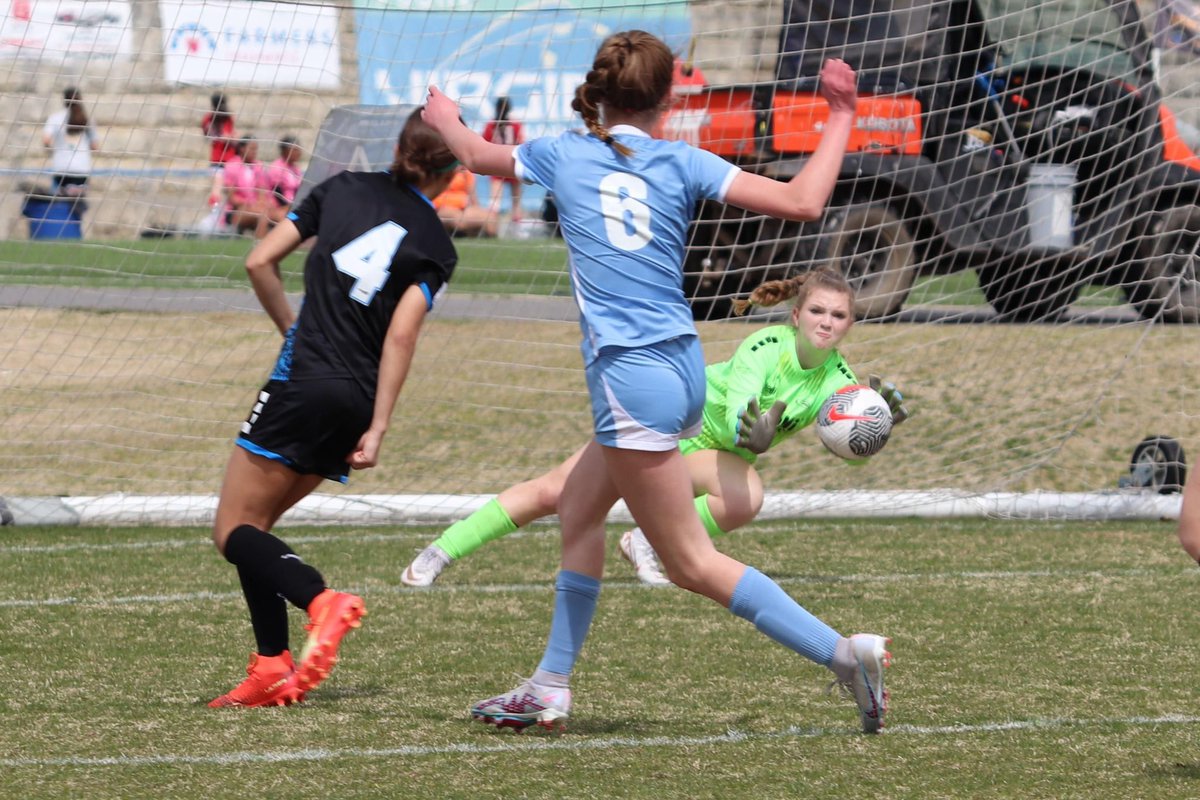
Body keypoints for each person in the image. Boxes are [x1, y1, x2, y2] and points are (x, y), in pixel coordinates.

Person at [423, 30, 892, 735]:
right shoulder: (682, 160)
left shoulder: (564, 152)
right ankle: (549, 683)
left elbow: (470, 154)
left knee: (690, 562)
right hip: (682, 369)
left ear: (600, 91)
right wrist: (844, 114)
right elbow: (803, 201)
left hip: (630, 379)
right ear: (669, 98)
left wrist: (443, 115)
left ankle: (842, 654)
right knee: (578, 512)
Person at [403, 268, 908, 589]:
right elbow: (738, 414)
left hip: (712, 457)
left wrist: (874, 428)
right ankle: (440, 551)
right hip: (669, 426)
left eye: (839, 315)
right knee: (557, 492)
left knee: (745, 496)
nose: (827, 321)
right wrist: (748, 432)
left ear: (849, 325)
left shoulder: (839, 378)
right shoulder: (764, 347)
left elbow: (843, 436)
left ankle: (647, 542)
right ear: (795, 314)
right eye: (817, 310)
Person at [207, 108, 460, 708]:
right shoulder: (437, 247)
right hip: (355, 399)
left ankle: (321, 601)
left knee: (232, 530)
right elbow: (401, 337)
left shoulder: (339, 188)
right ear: (451, 173)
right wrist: (378, 426)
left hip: (303, 380)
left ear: (398, 148)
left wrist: (292, 330)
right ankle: (271, 665)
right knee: (256, 530)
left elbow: (258, 261)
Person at [42, 87, 99, 195]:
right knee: (77, 207)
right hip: (81, 169)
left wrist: (54, 150)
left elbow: (46, 140)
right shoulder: (87, 119)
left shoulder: (55, 118)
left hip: (61, 168)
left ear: (64, 100)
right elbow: (95, 145)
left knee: (59, 204)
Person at [481, 96, 524, 223]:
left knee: (494, 200)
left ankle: (492, 222)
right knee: (516, 201)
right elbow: (521, 142)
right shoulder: (515, 125)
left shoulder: (491, 125)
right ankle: (516, 218)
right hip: (513, 161)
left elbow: (485, 142)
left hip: (496, 163)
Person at [254, 135, 305, 239]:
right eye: (294, 150)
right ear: (285, 151)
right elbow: (277, 192)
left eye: (298, 149)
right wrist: (289, 206)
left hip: (291, 206)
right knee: (291, 219)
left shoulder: (296, 169)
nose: (298, 152)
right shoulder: (277, 167)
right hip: (277, 207)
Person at [432, 164, 498, 237]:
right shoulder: (439, 172)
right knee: (457, 219)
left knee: (490, 218)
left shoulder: (465, 173)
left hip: (463, 209)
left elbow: (473, 196)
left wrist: (477, 209)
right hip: (441, 208)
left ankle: (488, 240)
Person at [222, 135, 265, 235]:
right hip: (236, 211)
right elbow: (231, 198)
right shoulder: (232, 166)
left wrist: (260, 203)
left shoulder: (258, 166)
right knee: (262, 215)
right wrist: (250, 205)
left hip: (255, 208)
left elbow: (262, 191)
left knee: (276, 214)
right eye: (252, 149)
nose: (255, 152)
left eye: (256, 149)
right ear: (242, 148)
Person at [202, 92, 238, 208]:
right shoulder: (210, 118)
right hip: (218, 160)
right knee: (217, 188)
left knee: (231, 190)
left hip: (231, 160)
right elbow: (208, 133)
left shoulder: (228, 117)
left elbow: (232, 137)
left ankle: (224, 215)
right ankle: (215, 210)